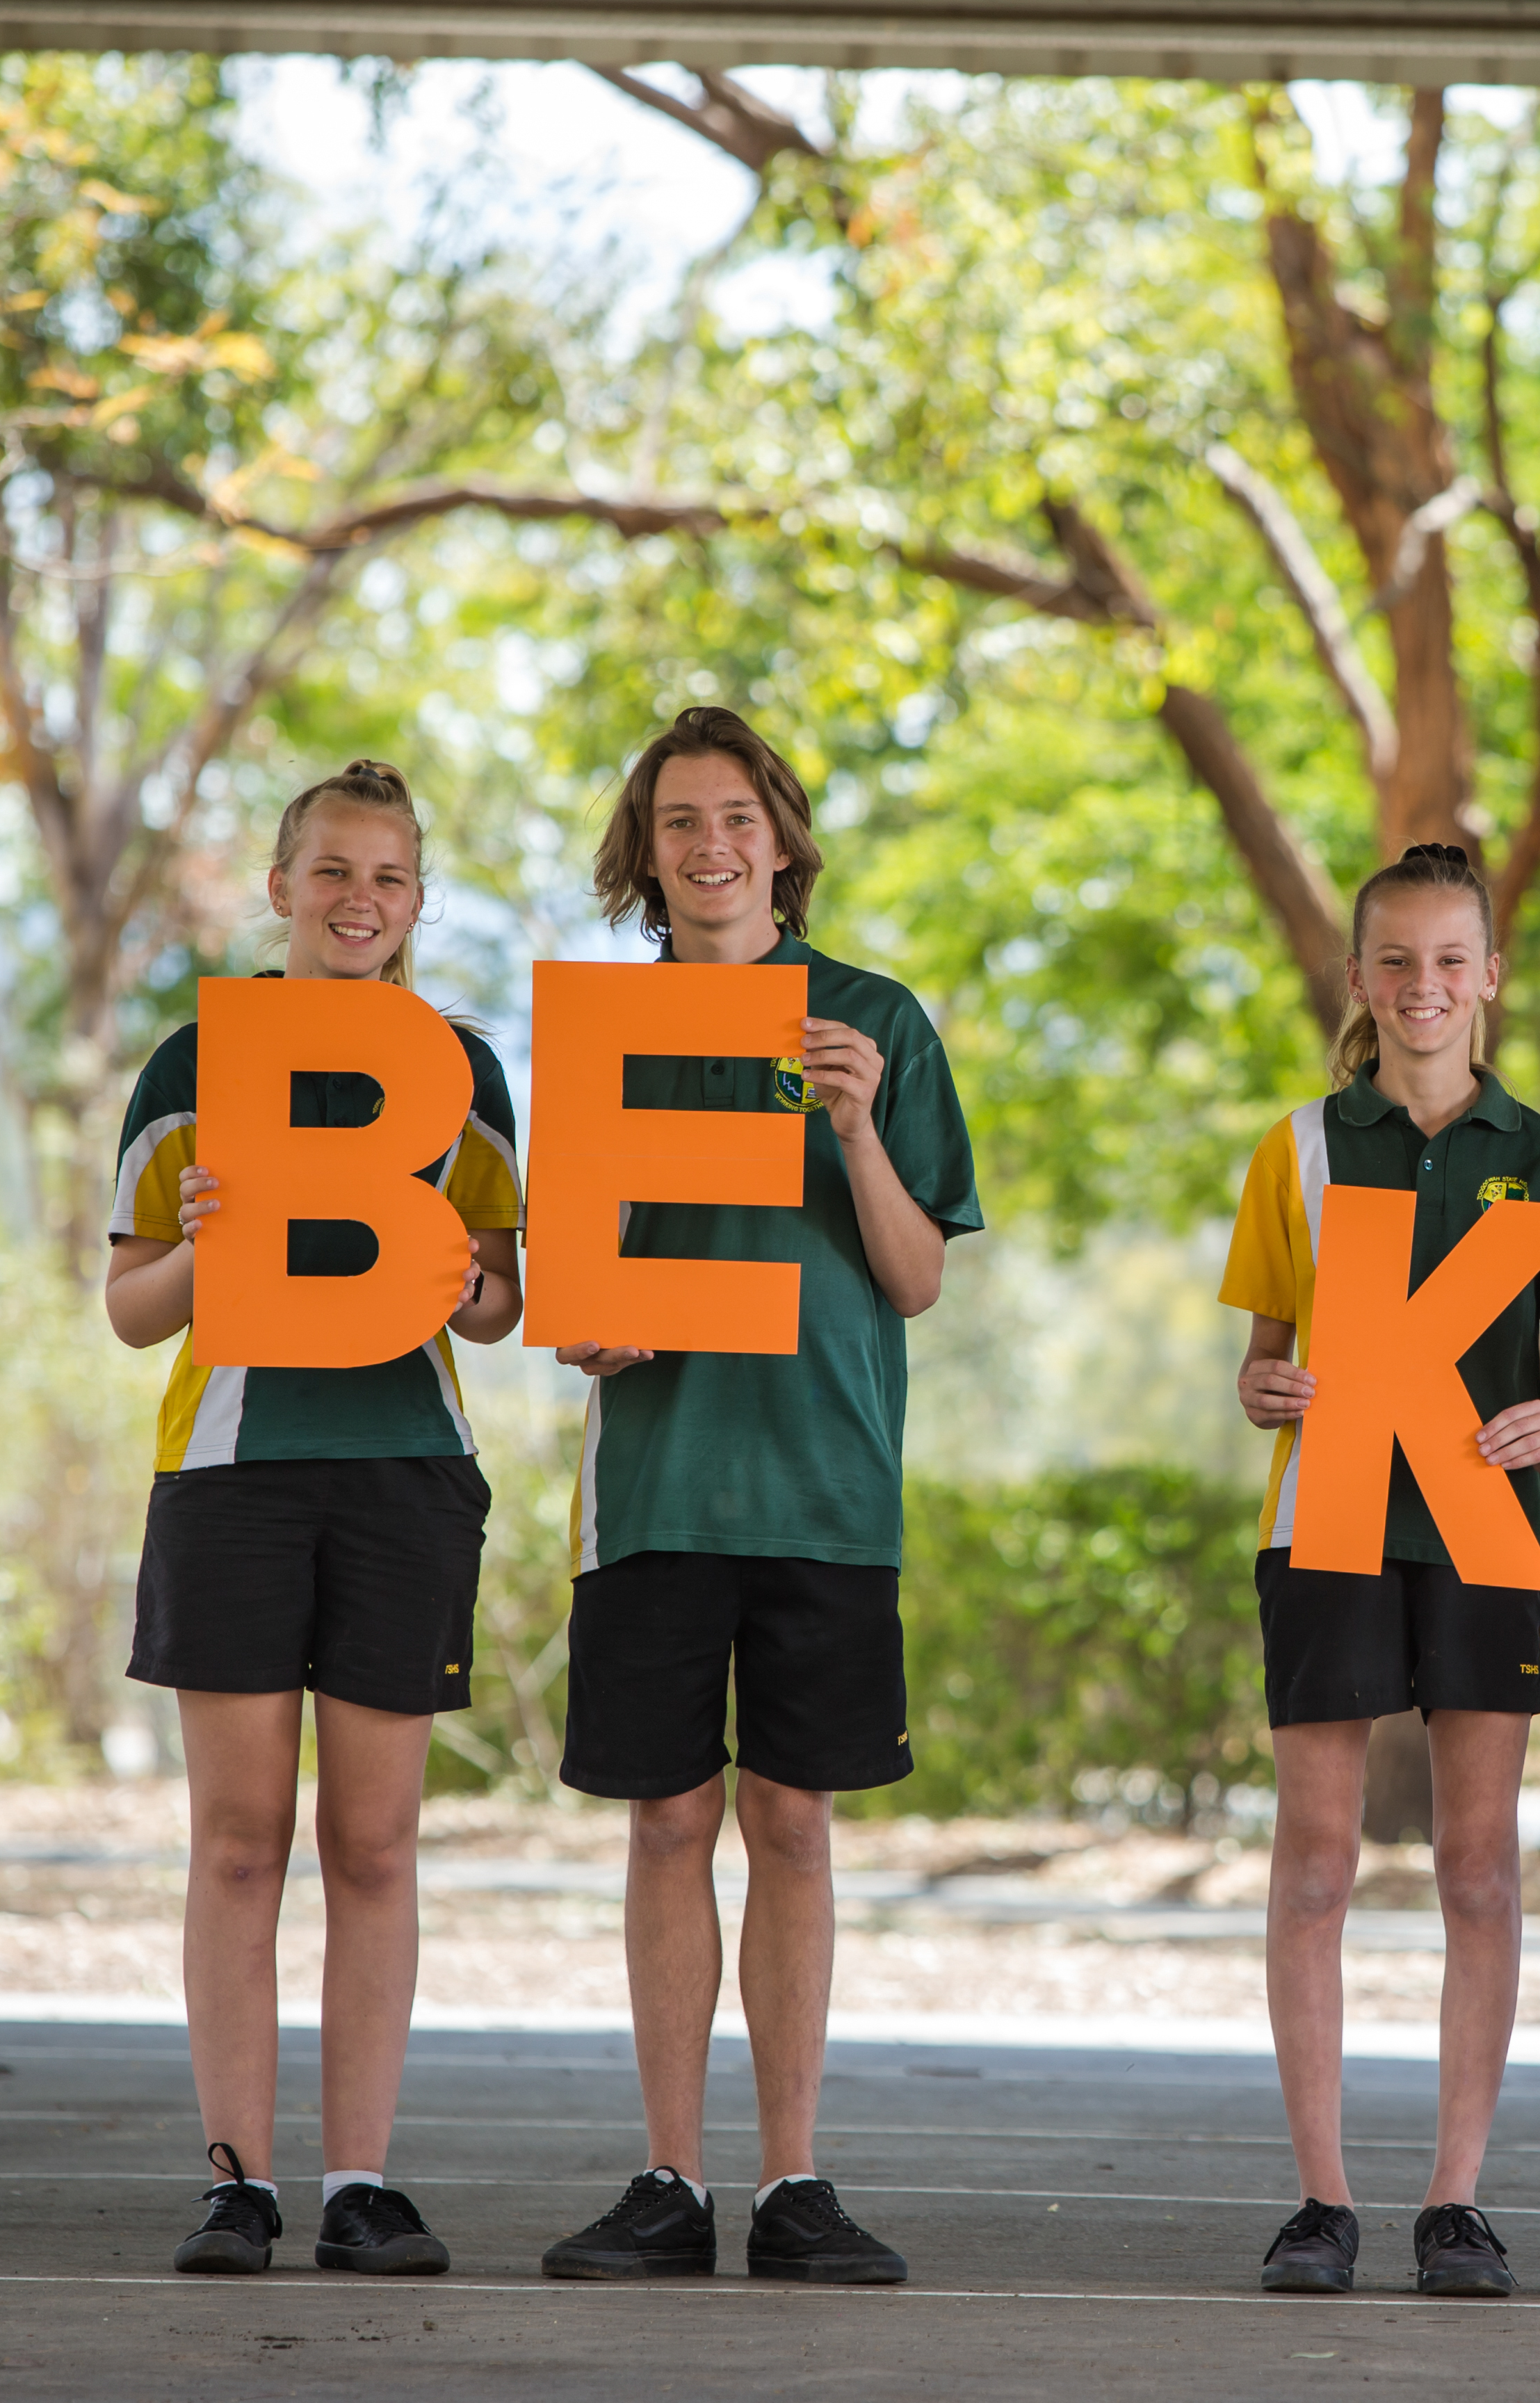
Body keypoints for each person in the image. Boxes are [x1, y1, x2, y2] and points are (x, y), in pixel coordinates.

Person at [534, 706, 982, 2285]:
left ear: (782, 837)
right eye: (676, 824)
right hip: (655, 1485)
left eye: (735, 817)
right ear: (643, 855)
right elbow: (571, 1296)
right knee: (670, 1821)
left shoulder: (877, 1021)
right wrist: (585, 1322)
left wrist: (857, 1128)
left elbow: (917, 1281)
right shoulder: (602, 1036)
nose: (709, 846)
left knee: (794, 1822)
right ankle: (671, 2181)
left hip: (826, 1490)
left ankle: (795, 2186)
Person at [104, 759, 525, 2279]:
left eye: (390, 878)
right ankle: (239, 2183)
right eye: (333, 872)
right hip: (231, 1477)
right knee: (236, 1842)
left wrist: (467, 1280)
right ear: (280, 889)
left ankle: (361, 2180)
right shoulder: (191, 1068)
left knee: (375, 1841)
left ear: (419, 900)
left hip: (406, 1479)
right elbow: (132, 1310)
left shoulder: (464, 1071)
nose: (361, 901)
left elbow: (494, 1305)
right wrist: (206, 1248)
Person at [1219, 842, 1540, 2299]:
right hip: (1326, 1526)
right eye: (1398, 961)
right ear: (1361, 979)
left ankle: (1458, 2200)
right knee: (1316, 1862)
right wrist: (1266, 1392)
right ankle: (1322, 2199)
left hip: (1478, 1533)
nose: (1426, 987)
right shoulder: (1300, 1150)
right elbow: (1263, 1364)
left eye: (1453, 960)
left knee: (1478, 1869)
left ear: (1490, 975)